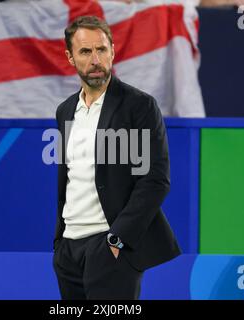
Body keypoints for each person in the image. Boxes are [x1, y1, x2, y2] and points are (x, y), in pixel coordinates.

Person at [52, 15, 181, 300]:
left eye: (102, 49)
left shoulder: (139, 106)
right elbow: (71, 177)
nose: (95, 59)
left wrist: (116, 239)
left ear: (113, 51)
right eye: (85, 51)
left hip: (109, 248)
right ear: (70, 57)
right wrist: (60, 243)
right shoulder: (65, 111)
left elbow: (155, 180)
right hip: (68, 251)